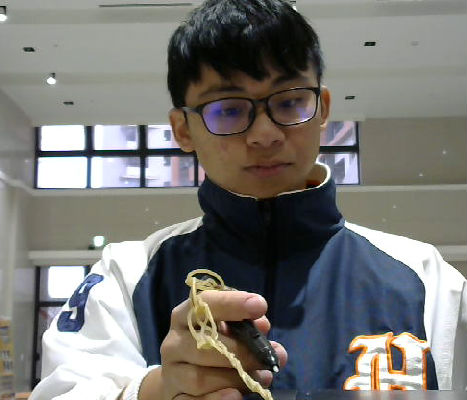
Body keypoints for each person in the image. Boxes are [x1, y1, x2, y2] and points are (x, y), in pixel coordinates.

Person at [30, 0, 467, 399]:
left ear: (322, 108)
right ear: (182, 129)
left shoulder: (427, 281)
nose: (265, 134)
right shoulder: (127, 277)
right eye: (228, 109)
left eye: (290, 102)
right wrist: (157, 390)